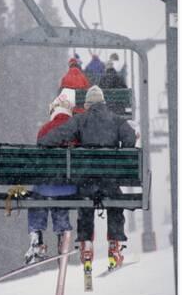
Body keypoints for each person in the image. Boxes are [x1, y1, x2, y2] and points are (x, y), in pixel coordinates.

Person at [38, 85, 137, 270]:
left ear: (88, 104)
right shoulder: (117, 120)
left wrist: (44, 142)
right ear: (103, 102)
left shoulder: (80, 120)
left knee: (85, 205)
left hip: (87, 180)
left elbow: (60, 135)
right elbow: (130, 137)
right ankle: (115, 243)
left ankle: (85, 244)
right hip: (110, 181)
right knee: (115, 205)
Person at [24, 94, 77, 265]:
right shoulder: (76, 129)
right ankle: (62, 236)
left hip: (46, 186)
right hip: (69, 187)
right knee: (60, 196)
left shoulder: (44, 130)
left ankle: (36, 237)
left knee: (39, 195)